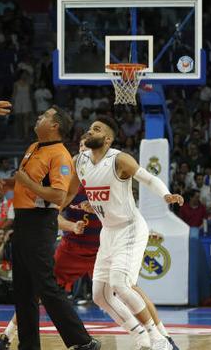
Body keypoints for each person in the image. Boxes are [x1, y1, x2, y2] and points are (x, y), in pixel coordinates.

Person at [0, 140, 179, 350]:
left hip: (105, 245)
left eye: (86, 147)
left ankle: (163, 336)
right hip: (73, 248)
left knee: (128, 288)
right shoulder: (67, 182)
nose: (82, 150)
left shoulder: (108, 178)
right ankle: (7, 336)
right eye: (79, 147)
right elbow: (52, 215)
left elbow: (127, 213)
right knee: (39, 288)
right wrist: (71, 225)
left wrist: (149, 231)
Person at [0, 107, 99, 350]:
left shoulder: (60, 155)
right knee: (23, 290)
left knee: (47, 287)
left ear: (54, 126)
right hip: (23, 221)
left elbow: (58, 195)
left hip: (40, 223)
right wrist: (9, 184)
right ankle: (29, 346)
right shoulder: (34, 147)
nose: (39, 117)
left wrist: (26, 182)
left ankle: (83, 342)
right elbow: (28, 184)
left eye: (45, 116)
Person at [76, 117, 183, 350]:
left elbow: (148, 178)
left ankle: (159, 339)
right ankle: (140, 337)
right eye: (89, 128)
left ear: (107, 138)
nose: (88, 132)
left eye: (96, 129)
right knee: (100, 295)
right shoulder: (81, 161)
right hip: (108, 232)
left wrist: (166, 195)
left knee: (121, 285)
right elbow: (92, 193)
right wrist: (87, 203)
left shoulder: (119, 159)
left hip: (130, 227)